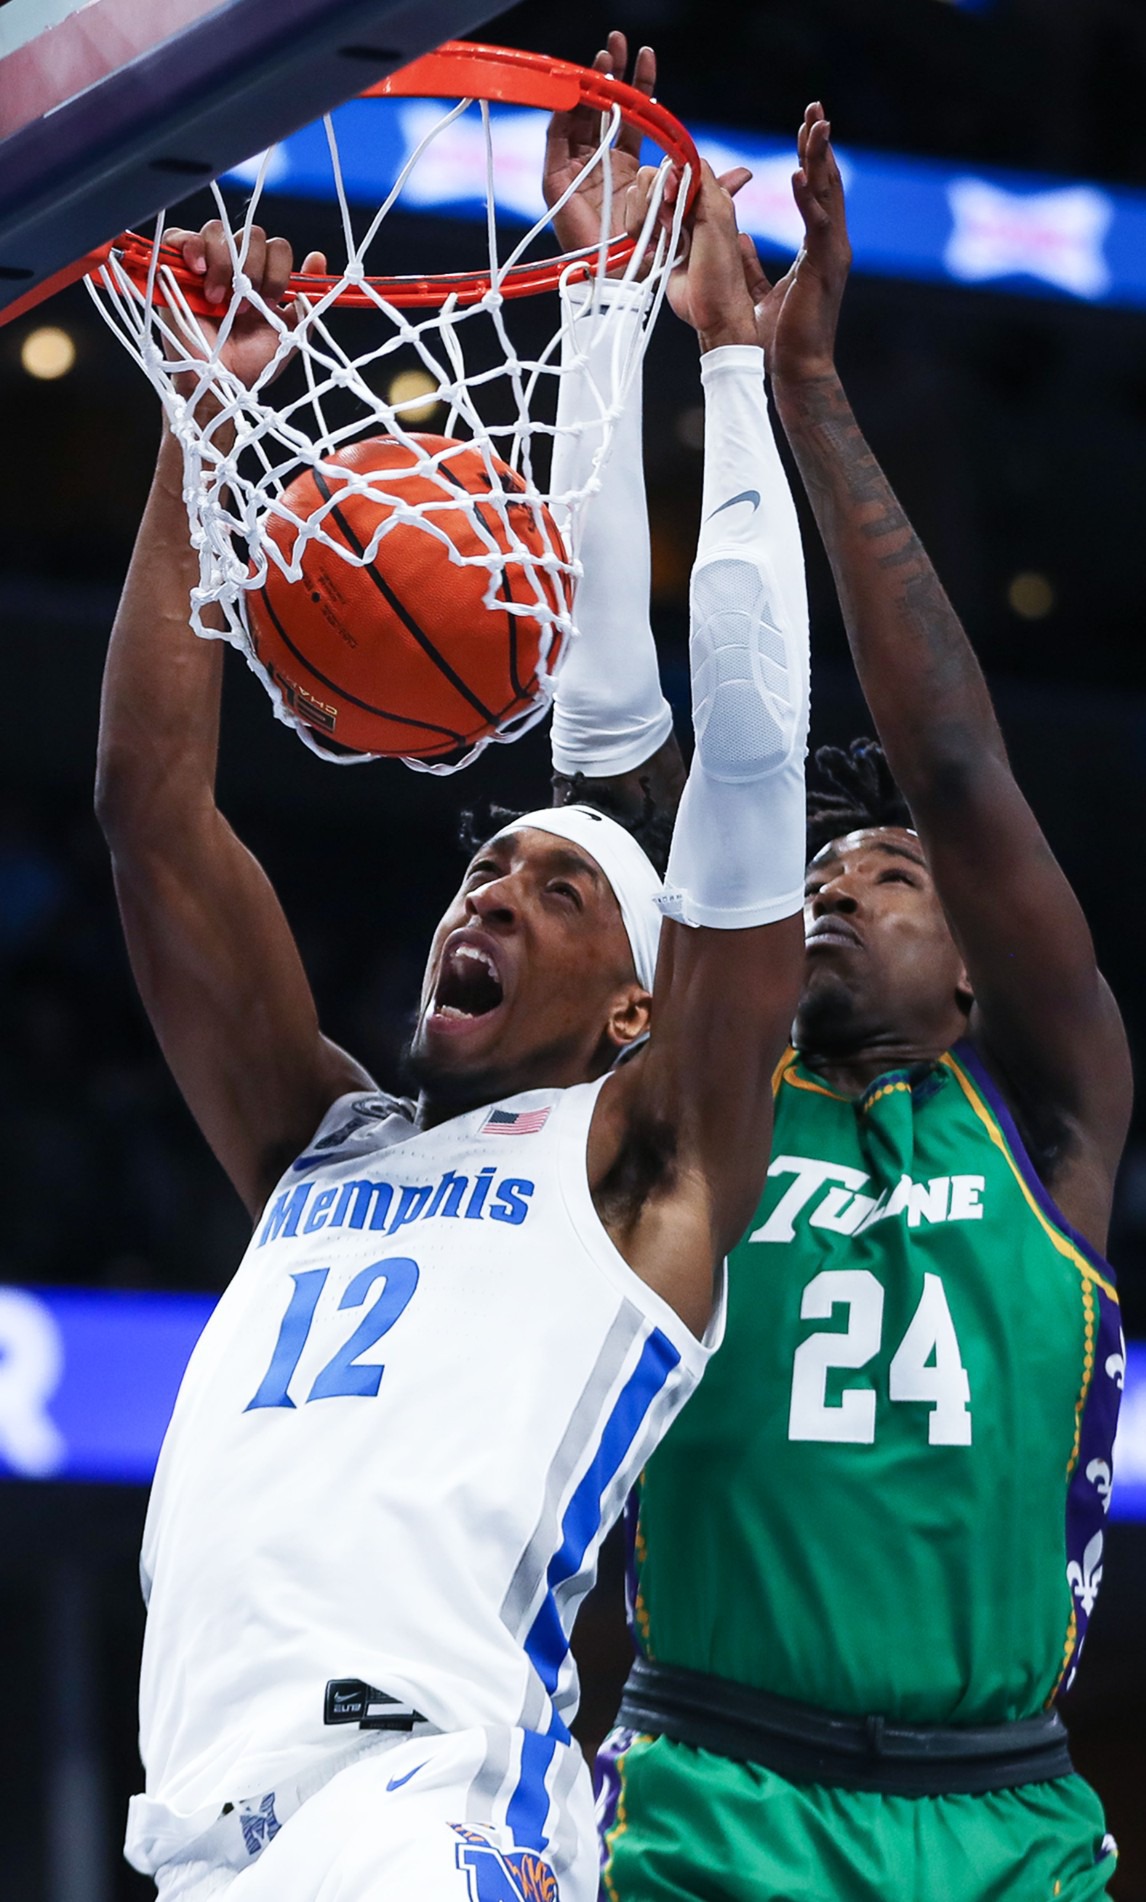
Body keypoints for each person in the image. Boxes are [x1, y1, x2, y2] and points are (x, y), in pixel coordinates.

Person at [96, 159, 814, 1901]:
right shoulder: (316, 1140)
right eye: (483, 870)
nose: (485, 896)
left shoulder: (648, 1158)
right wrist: (208, 410)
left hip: (428, 1809)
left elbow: (748, 760)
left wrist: (719, 377)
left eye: (555, 893)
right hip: (203, 1830)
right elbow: (152, 808)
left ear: (641, 1000)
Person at [556, 89, 1131, 1902]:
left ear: (980, 967)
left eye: (885, 881)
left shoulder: (1048, 1114)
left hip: (1006, 1810)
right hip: (719, 1789)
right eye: (820, 869)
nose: (836, 882)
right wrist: (635, 336)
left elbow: (955, 769)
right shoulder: (712, 1095)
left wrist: (808, 387)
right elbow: (650, 743)